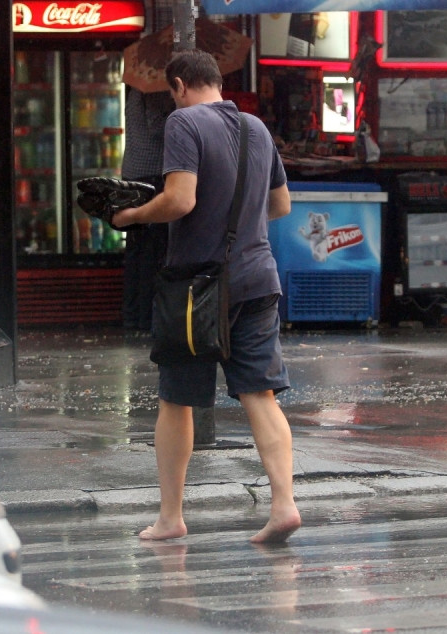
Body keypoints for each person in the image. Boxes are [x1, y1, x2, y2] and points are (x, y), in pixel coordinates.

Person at [112, 49, 300, 544]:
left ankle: (171, 518)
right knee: (260, 395)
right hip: (258, 279)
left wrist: (128, 217)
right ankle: (284, 505)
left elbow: (180, 199)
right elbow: (280, 204)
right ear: (217, 82)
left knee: (177, 400)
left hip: (197, 288)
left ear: (177, 85)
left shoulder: (184, 123)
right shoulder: (255, 129)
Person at [121, 87, 173, 331]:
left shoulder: (134, 92)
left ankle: (133, 317)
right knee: (153, 253)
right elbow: (157, 128)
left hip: (132, 175)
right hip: (151, 177)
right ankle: (148, 319)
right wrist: (181, 113)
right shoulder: (154, 92)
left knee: (137, 251)